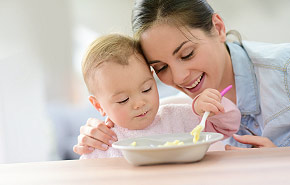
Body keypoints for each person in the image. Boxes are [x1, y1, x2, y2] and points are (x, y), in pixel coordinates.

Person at [74, 0, 289, 155]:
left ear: (218, 28)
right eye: (161, 68)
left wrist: (280, 163)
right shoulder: (176, 112)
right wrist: (99, 136)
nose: (179, 77)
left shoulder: (284, 70)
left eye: (187, 54)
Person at [79, 33, 240, 158]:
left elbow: (229, 126)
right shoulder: (102, 141)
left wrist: (210, 106)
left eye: (147, 89)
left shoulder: (179, 117)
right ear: (99, 106)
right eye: (124, 100)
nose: (140, 103)